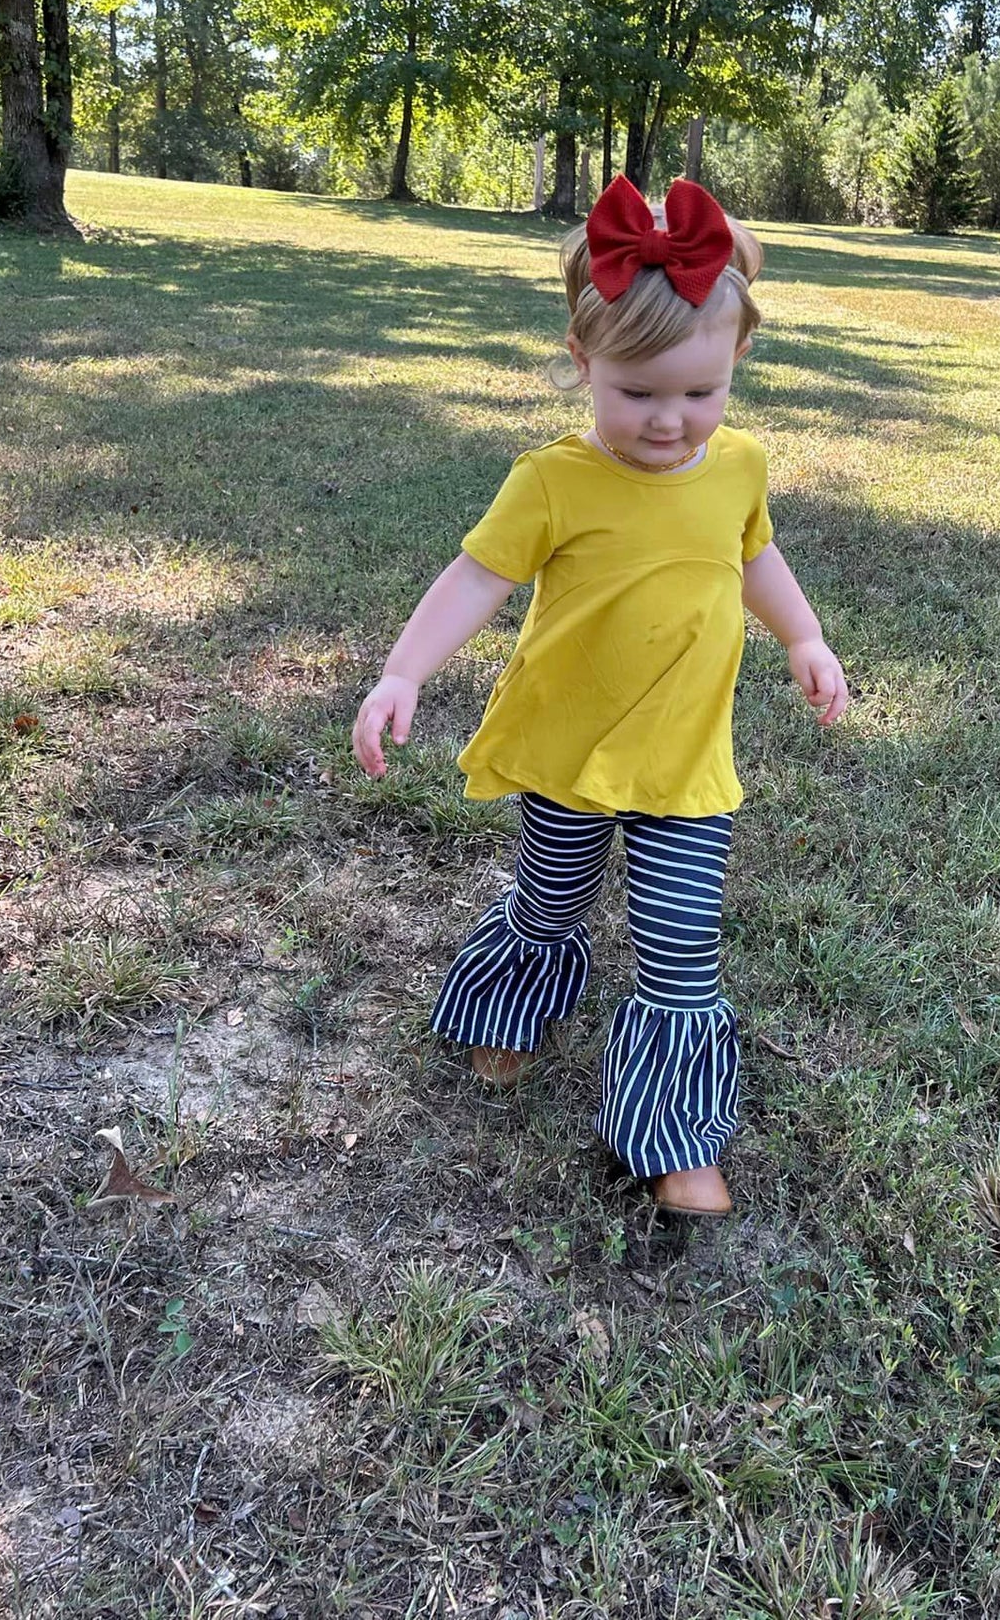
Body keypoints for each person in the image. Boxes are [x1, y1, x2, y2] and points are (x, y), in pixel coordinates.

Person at [352, 174, 848, 1217]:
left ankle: (673, 1137)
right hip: (570, 753)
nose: (670, 422)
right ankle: (508, 1009)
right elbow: (476, 579)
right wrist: (403, 670)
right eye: (637, 394)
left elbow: (752, 554)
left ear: (735, 365)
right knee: (551, 901)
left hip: (683, 764)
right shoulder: (553, 480)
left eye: (698, 393)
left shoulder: (739, 465)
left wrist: (801, 634)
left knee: (680, 948)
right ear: (583, 365)